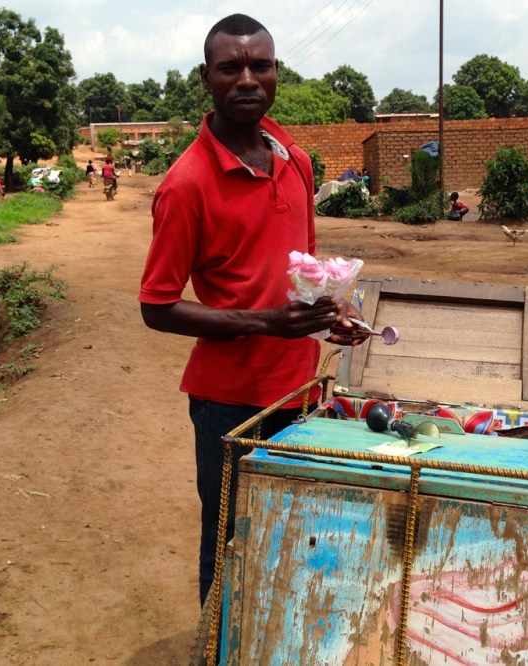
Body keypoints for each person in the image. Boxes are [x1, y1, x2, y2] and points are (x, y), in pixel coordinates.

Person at [138, 13, 367, 607]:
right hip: (229, 404)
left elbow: (301, 269)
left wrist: (327, 317)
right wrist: (265, 323)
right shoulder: (186, 185)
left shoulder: (295, 161)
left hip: (301, 393)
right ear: (205, 78)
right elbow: (156, 306)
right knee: (230, 543)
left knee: (294, 537)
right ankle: (218, 644)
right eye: (230, 68)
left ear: (276, 73)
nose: (246, 79)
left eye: (259, 66)